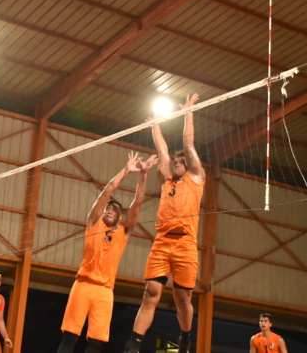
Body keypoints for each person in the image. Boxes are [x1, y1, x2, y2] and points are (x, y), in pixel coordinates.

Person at [123, 94, 206, 353]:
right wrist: (155, 126)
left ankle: (185, 337)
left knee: (183, 299)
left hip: (185, 245)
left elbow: (188, 144)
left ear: (188, 165)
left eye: (181, 162)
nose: (177, 163)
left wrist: (188, 112)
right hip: (162, 243)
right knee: (150, 294)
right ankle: (133, 345)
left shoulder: (196, 177)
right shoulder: (166, 181)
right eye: (175, 162)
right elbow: (162, 152)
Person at [57, 152, 157, 353]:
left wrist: (143, 175)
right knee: (70, 336)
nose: (109, 210)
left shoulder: (123, 231)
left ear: (120, 217)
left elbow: (137, 205)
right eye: (108, 208)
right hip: (83, 284)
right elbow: (107, 191)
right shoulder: (94, 222)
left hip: (105, 290)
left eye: (114, 209)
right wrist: (126, 171)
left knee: (96, 342)